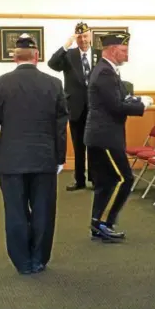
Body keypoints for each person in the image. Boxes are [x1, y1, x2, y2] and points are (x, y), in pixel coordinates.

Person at [0, 34, 68, 274]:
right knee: (43, 210)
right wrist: (60, 157)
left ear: (14, 58)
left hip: (11, 160)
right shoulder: (54, 84)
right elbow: (60, 127)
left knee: (15, 212)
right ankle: (39, 259)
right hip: (44, 159)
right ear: (37, 57)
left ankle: (22, 262)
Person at [84, 32, 153, 242]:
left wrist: (136, 98)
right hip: (105, 137)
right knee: (123, 179)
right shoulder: (105, 72)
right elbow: (116, 106)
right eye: (124, 51)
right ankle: (105, 223)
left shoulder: (108, 70)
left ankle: (98, 223)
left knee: (106, 182)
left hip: (102, 135)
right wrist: (142, 105)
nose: (127, 55)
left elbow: (119, 97)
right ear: (113, 50)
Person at [48, 22, 101, 191]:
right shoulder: (69, 55)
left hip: (95, 107)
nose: (83, 40)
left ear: (91, 35)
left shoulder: (100, 55)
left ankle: (94, 179)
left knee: (94, 145)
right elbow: (52, 64)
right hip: (75, 107)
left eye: (85, 36)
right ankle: (79, 180)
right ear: (75, 38)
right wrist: (66, 45)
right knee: (79, 146)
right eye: (79, 37)